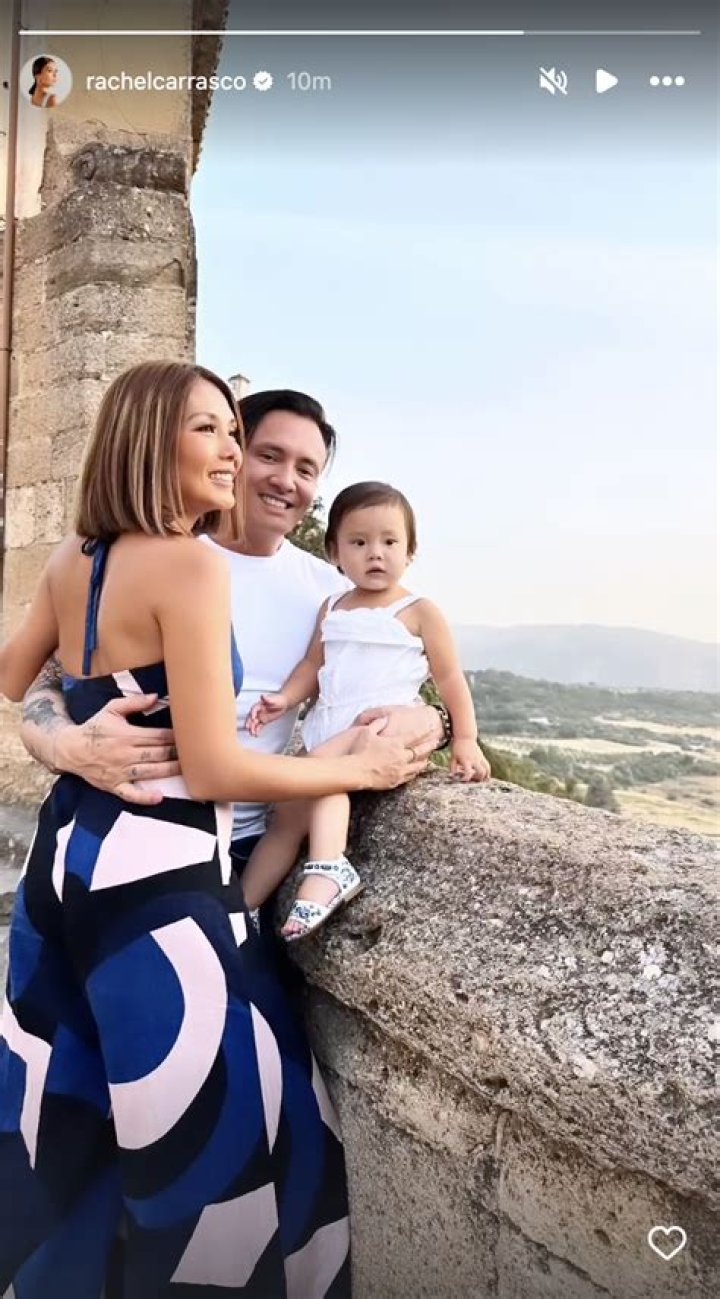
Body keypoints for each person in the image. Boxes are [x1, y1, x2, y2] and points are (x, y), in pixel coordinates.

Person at [0, 361, 425, 1297]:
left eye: (235, 432)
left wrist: (69, 738)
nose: (232, 452)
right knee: (198, 1140)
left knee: (76, 1112)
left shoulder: (76, 554)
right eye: (213, 431)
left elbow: (13, 673)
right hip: (159, 878)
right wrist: (361, 770)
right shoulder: (187, 562)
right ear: (149, 438)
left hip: (69, 858)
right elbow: (215, 767)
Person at [19, 390, 444, 933]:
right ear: (235, 455)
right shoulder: (160, 559)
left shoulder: (334, 595)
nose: (286, 480)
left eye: (306, 469)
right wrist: (62, 743)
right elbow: (43, 676)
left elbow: (385, 685)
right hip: (141, 831)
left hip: (255, 845)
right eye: (269, 456)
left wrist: (436, 720)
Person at [241, 481, 491, 939]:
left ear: (410, 551)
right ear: (335, 552)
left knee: (325, 777)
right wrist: (286, 698)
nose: (375, 553)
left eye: (389, 542)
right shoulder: (332, 606)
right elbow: (313, 664)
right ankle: (242, 911)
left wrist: (465, 739)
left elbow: (450, 678)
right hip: (331, 727)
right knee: (285, 819)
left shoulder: (419, 611)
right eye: (359, 543)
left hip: (383, 729)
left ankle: (329, 868)